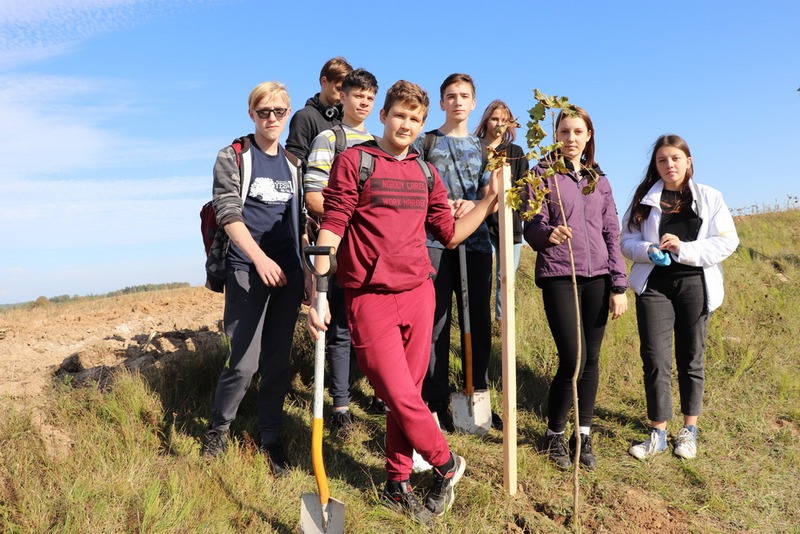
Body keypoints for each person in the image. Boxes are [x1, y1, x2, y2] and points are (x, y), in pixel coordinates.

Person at [306, 80, 502, 523]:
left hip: (418, 294)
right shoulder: (355, 162)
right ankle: (448, 464)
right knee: (394, 391)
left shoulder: (425, 172)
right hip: (368, 296)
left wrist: (486, 204)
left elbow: (448, 234)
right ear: (384, 116)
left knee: (406, 396)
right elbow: (332, 225)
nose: (407, 125)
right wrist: (318, 297)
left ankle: (397, 482)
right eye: (400, 115)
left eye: (415, 119)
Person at [202, 82, 307, 478]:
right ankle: (219, 429)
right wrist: (258, 258)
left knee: (277, 362)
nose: (272, 118)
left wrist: (307, 273)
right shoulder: (234, 156)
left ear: (287, 112)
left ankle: (270, 437)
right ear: (251, 114)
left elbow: (300, 224)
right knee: (243, 362)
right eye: (264, 111)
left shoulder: (294, 164)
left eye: (279, 111)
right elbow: (228, 212)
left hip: (289, 271)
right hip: (247, 269)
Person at [620, 134, 739, 460]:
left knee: (691, 358)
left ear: (688, 161)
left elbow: (727, 242)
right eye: (662, 160)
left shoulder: (710, 197)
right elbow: (625, 241)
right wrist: (649, 250)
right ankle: (657, 432)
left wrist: (684, 249)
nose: (669, 165)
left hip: (695, 284)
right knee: (655, 359)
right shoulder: (644, 199)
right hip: (655, 285)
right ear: (655, 165)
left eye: (675, 158)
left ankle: (688, 430)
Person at [523, 106, 628, 470]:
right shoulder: (541, 174)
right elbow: (530, 225)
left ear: (588, 137)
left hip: (598, 277)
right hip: (559, 275)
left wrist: (619, 286)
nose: (571, 139)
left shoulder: (599, 179)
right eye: (564, 132)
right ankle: (553, 434)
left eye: (577, 132)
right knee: (573, 357)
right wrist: (547, 234)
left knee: (592, 359)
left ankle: (582, 435)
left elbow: (611, 233)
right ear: (556, 135)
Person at [414, 73, 497, 430]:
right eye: (451, 96)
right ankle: (434, 400)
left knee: (477, 319)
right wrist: (442, 204)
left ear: (474, 102)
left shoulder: (484, 149)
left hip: (476, 243)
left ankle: (476, 389)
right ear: (442, 102)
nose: (458, 101)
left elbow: (492, 196)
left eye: (464, 96)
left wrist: (474, 205)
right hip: (432, 243)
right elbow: (413, 185)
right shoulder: (426, 142)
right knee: (436, 321)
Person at [304, 68, 379, 437]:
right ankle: (341, 407)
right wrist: (346, 221)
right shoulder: (328, 139)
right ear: (343, 97)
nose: (362, 102)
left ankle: (379, 393)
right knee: (339, 329)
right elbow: (314, 195)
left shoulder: (381, 144)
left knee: (370, 325)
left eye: (369, 97)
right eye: (357, 95)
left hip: (371, 250)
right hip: (338, 246)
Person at [474, 100, 527, 324]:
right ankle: (480, 320)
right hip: (479, 222)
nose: (499, 124)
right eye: (495, 118)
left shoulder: (515, 152)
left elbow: (525, 189)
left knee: (505, 276)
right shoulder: (473, 148)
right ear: (486, 120)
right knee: (481, 275)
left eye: (504, 121)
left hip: (509, 223)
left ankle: (501, 322)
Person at [285, 56, 353, 170]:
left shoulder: (348, 120)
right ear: (324, 82)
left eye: (345, 91)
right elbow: (294, 161)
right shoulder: (304, 117)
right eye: (338, 88)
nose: (342, 95)